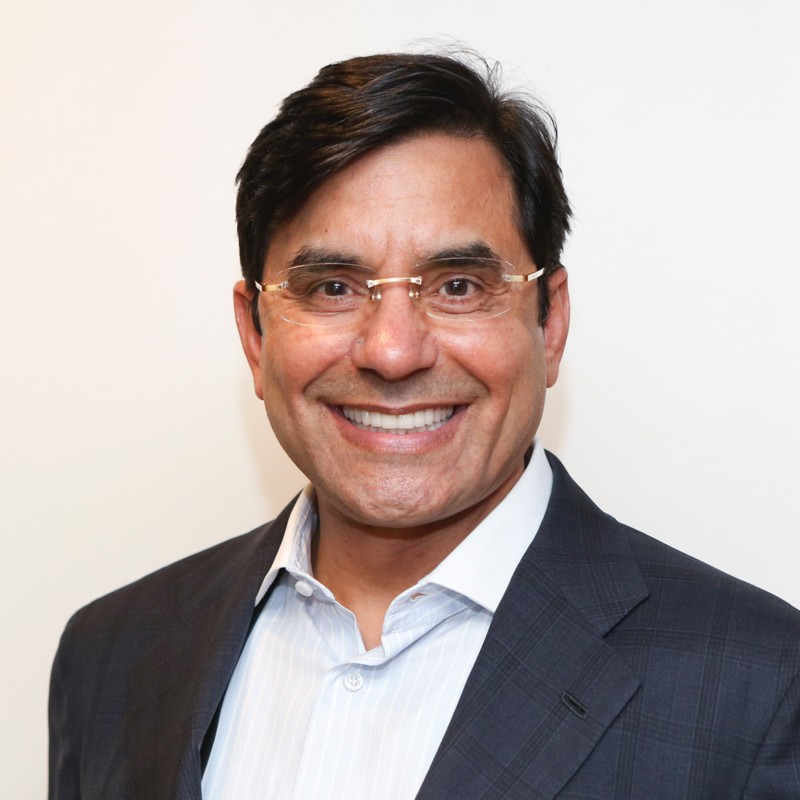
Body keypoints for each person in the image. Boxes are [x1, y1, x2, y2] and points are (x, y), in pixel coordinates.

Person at [49, 51, 800, 800]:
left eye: (459, 285)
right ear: (255, 335)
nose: (393, 351)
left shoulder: (760, 688)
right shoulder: (112, 656)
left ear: (551, 324)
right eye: (333, 287)